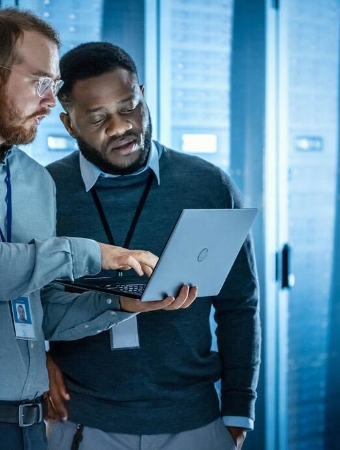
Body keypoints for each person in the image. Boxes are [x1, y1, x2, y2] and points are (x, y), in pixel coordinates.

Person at [0, 10, 197, 450]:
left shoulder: (34, 180)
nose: (50, 102)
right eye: (41, 82)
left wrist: (126, 302)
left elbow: (43, 309)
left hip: (26, 427)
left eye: (54, 87)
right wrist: (96, 253)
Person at [43, 42, 261, 450]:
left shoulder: (207, 184)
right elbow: (15, 299)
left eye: (129, 106)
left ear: (143, 94)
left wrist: (236, 412)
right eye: (97, 118)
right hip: (83, 423)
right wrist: (38, 362)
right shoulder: (43, 191)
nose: (121, 127)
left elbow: (239, 305)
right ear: (69, 125)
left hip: (195, 423)